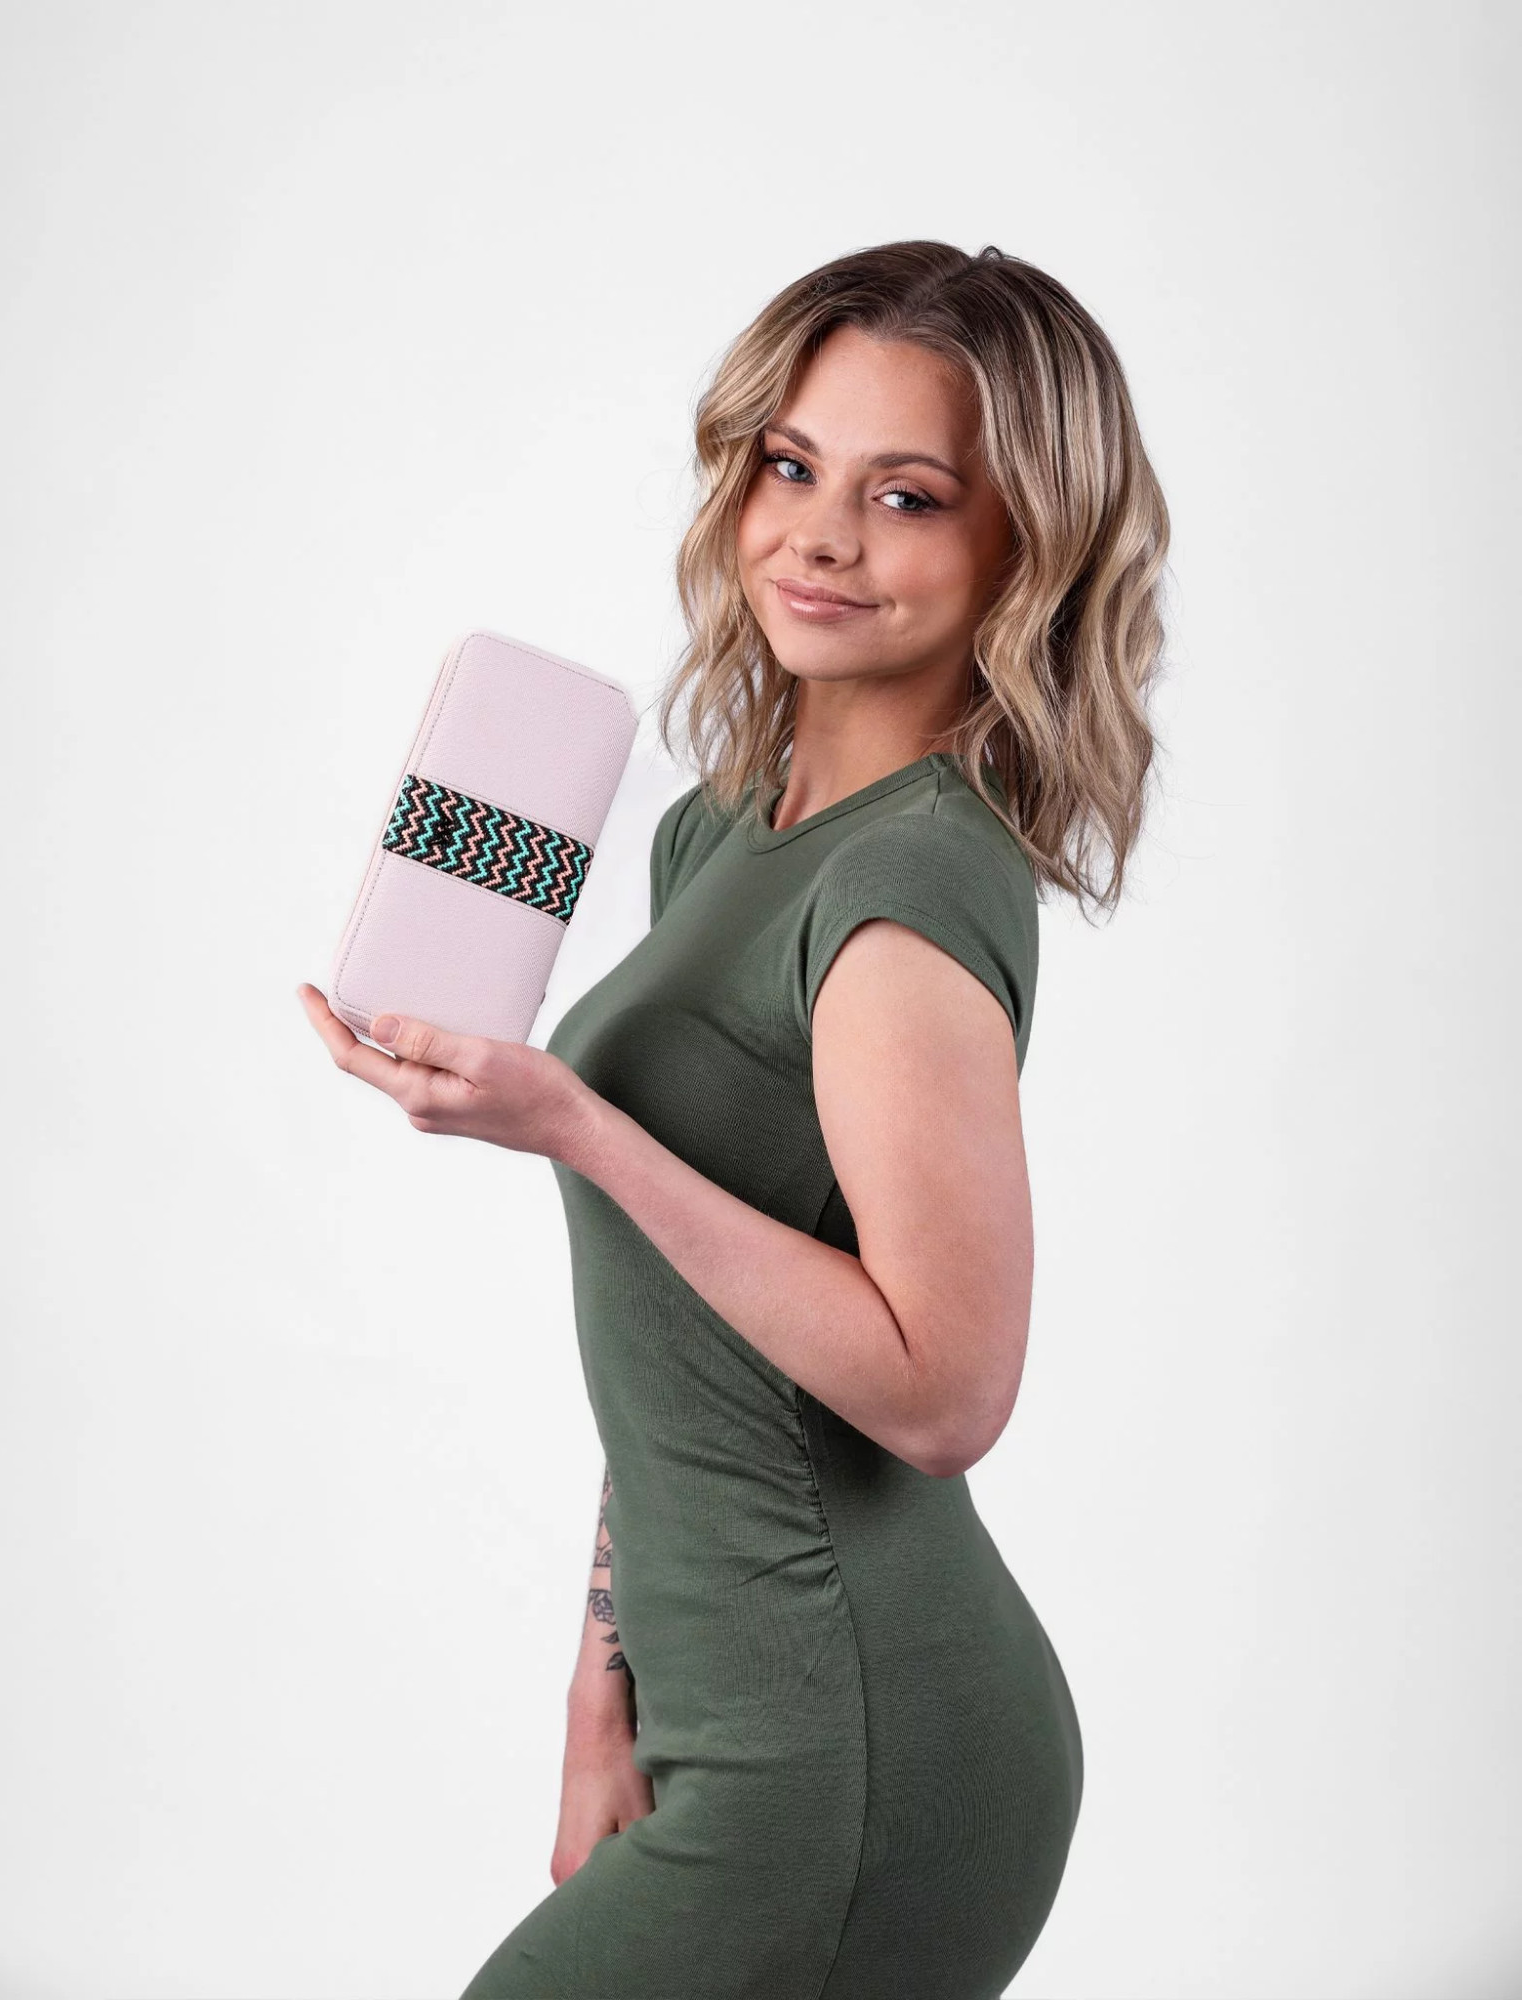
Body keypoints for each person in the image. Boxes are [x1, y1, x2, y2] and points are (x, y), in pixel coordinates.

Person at [298, 238, 1169, 1999]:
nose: (819, 537)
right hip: (733, 1717)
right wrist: (599, 1696)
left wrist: (584, 1128)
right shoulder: (724, 830)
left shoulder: (907, 887)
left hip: (855, 1750)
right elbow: (682, 1337)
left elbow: (947, 1390)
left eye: (905, 496)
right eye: (790, 467)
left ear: (1027, 546)